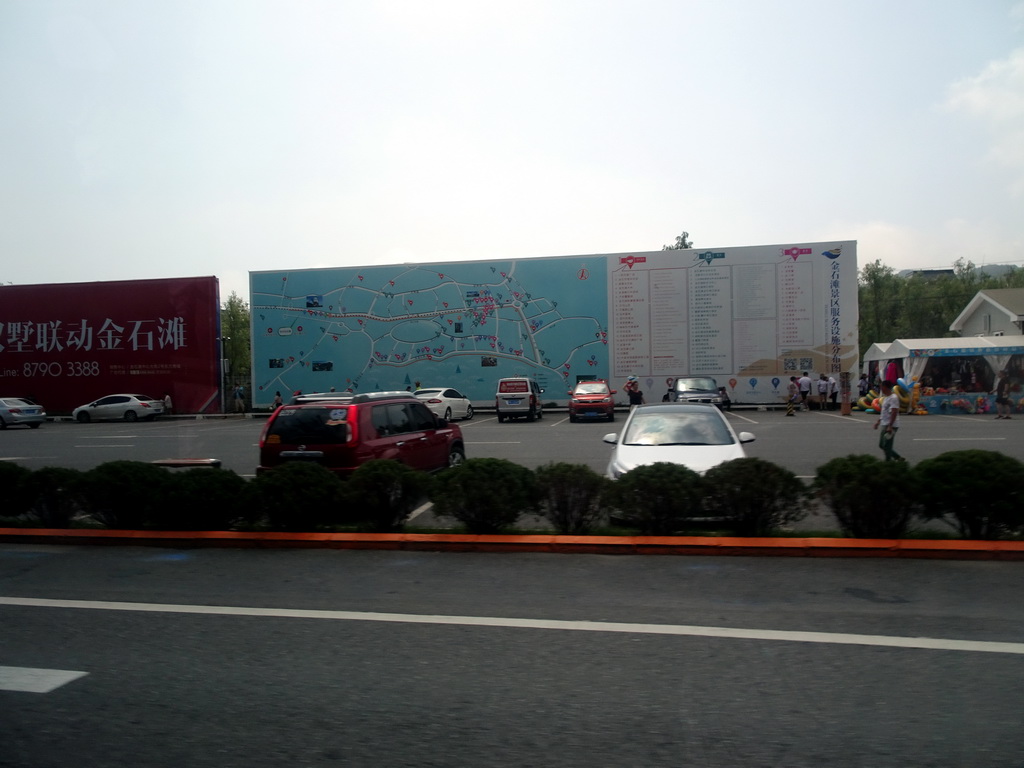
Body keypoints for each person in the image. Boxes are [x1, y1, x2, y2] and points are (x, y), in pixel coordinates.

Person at [873, 379, 904, 462]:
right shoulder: (886, 398)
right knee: (882, 445)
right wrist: (878, 421)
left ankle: (888, 462)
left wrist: (890, 426)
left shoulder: (893, 398)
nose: (881, 389)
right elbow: (884, 412)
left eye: (881, 387)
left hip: (891, 425)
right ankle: (898, 458)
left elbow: (894, 412)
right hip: (884, 423)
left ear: (885, 387)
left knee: (887, 445)